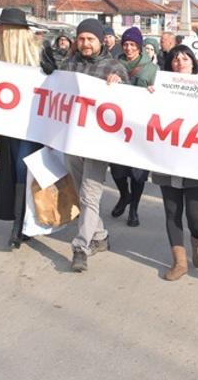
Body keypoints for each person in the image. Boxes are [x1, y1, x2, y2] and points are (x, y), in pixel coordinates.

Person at [48, 18, 128, 272]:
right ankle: (101, 235)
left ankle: (80, 247)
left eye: (90, 39)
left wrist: (120, 85)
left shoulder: (114, 66)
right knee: (81, 192)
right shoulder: (69, 64)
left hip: (98, 144)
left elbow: (129, 104)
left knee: (90, 194)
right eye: (81, 39)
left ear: (100, 41)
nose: (85, 43)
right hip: (72, 140)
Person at [150, 45, 198, 280]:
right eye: (175, 59)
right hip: (166, 158)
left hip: (194, 160)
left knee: (195, 214)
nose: (180, 62)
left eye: (185, 58)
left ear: (193, 63)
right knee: (171, 210)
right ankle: (179, 262)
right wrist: (148, 95)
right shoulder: (161, 86)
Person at [0, 9, 46, 249]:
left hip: (31, 128)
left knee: (24, 171)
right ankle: (19, 223)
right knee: (13, 172)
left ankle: (21, 225)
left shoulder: (39, 57)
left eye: (3, 29)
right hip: (10, 126)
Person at [108, 27, 158, 227]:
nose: (129, 48)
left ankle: (134, 208)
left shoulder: (152, 69)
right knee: (118, 170)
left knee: (138, 173)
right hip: (118, 126)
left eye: (133, 44)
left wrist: (154, 92)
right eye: (126, 44)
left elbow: (160, 98)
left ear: (139, 46)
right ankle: (124, 195)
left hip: (141, 127)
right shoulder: (113, 65)